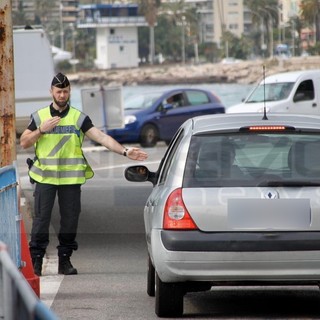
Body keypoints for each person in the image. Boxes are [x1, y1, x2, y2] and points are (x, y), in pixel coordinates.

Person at [20, 72, 148, 276]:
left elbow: (101, 137)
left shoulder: (78, 117)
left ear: (70, 92)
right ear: (51, 92)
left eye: (65, 91)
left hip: (71, 179)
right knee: (42, 219)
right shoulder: (40, 116)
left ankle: (65, 259)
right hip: (45, 178)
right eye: (58, 91)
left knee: (70, 219)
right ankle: (37, 259)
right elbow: (24, 142)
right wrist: (41, 130)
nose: (62, 95)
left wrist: (125, 151)